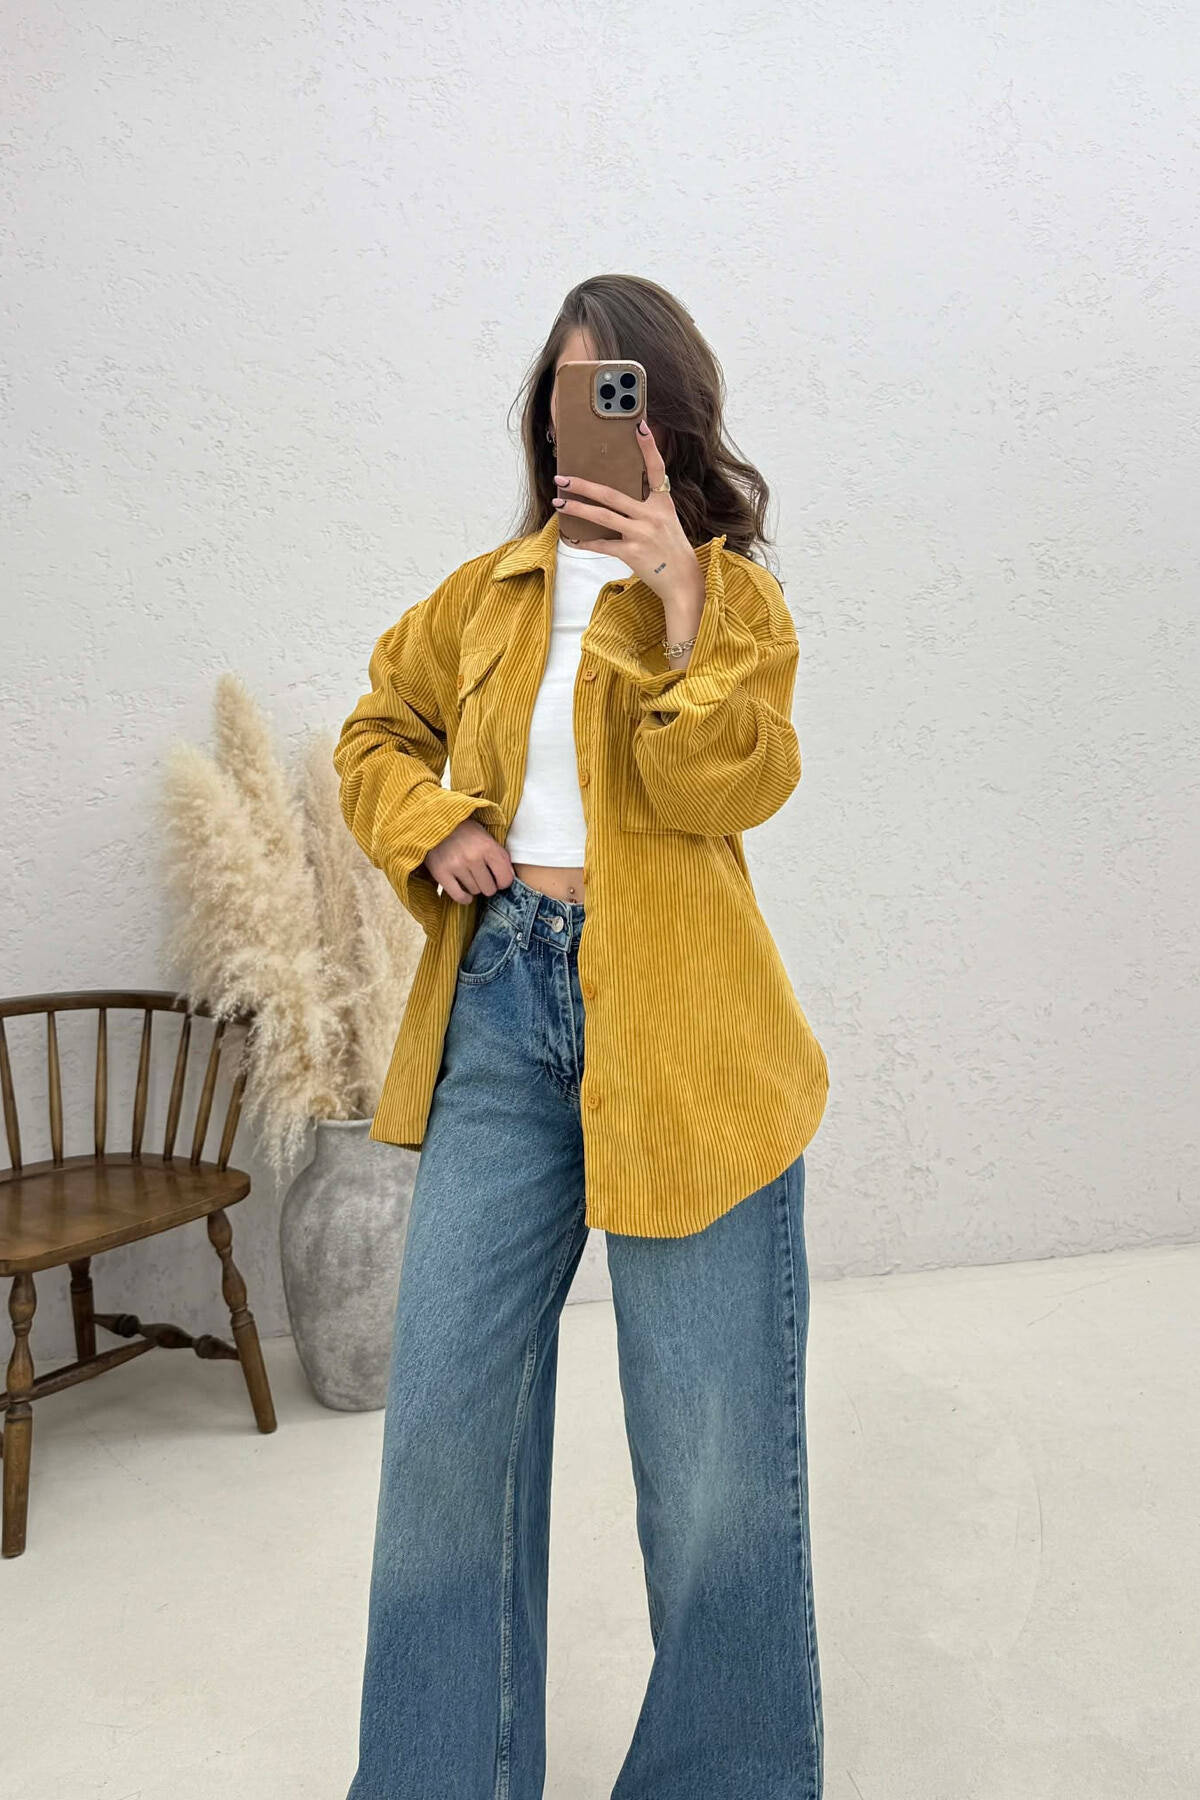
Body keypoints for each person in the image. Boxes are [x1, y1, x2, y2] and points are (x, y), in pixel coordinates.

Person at [333, 273, 830, 1800]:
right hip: (502, 1012)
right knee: (445, 1437)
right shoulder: (483, 595)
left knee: (713, 1463)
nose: (586, 426)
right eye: (567, 394)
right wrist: (434, 823)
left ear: (670, 423)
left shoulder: (734, 602)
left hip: (686, 1037)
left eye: (619, 395)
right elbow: (374, 730)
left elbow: (728, 788)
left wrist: (679, 603)